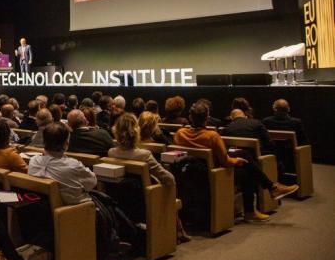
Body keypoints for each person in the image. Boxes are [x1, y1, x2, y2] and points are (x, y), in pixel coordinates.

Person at [174, 101, 298, 222]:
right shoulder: (212, 136)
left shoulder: (180, 133)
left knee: (244, 154)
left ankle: (272, 188)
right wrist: (237, 161)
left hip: (192, 172)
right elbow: (226, 162)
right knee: (246, 168)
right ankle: (253, 207)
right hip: (214, 174)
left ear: (190, 117)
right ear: (207, 117)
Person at [110, 114, 190, 242]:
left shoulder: (111, 152)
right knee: (170, 184)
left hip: (123, 199)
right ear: (136, 132)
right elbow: (168, 178)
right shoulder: (144, 155)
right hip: (145, 198)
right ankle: (176, 230)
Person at [28, 122, 97, 205]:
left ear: (44, 142)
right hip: (74, 211)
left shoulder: (33, 161)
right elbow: (92, 183)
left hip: (41, 210)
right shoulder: (73, 165)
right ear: (66, 144)